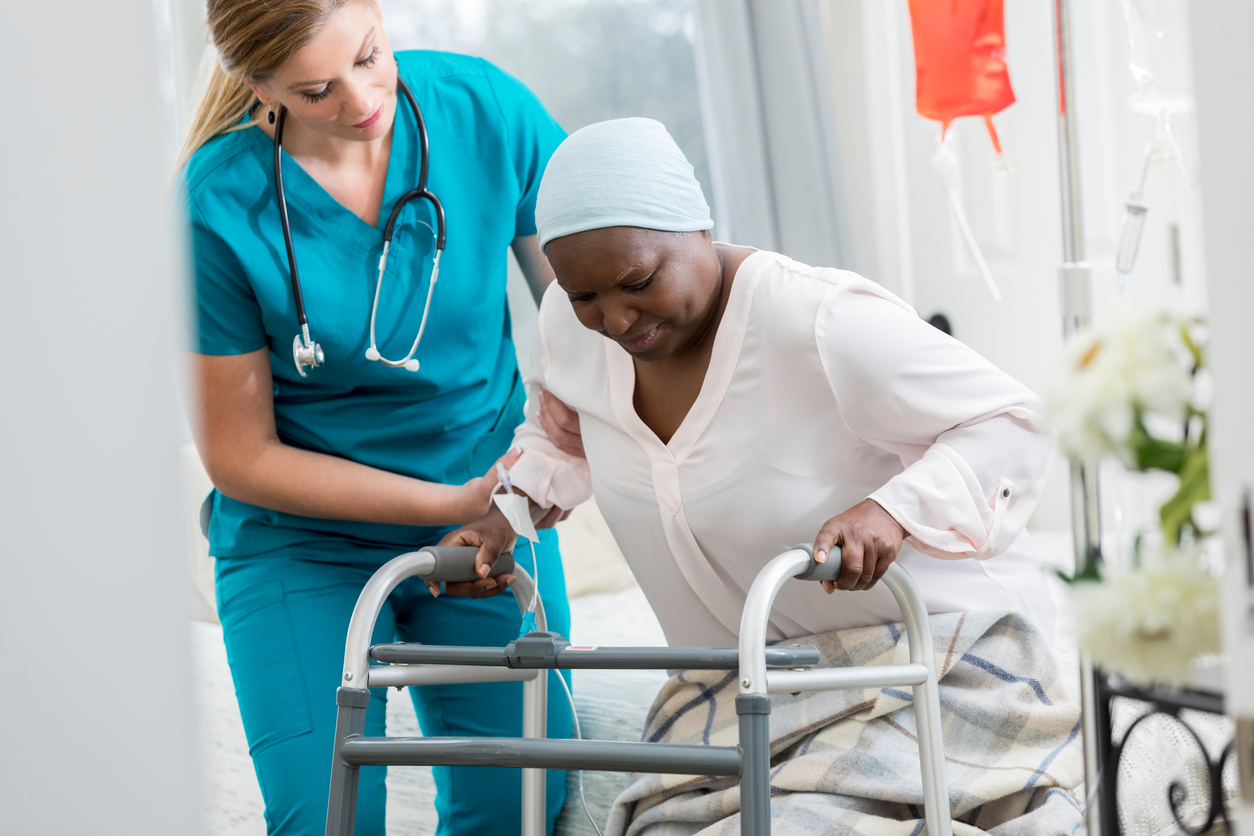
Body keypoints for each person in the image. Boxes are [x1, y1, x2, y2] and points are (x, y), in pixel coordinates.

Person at [179, 1, 573, 832]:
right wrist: (451, 504)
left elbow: (600, 323)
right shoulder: (218, 201)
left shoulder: (485, 112)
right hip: (302, 540)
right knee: (329, 818)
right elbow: (239, 456)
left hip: (490, 527)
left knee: (523, 805)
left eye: (368, 55)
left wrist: (528, 487)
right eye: (316, 90)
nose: (360, 99)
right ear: (257, 86)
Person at [445, 117, 1057, 648]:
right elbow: (567, 436)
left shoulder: (816, 320)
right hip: (740, 691)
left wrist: (893, 512)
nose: (616, 319)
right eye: (584, 295)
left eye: (637, 282)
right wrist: (507, 516)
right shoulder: (567, 323)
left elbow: (1012, 422)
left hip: (938, 656)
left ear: (699, 227)